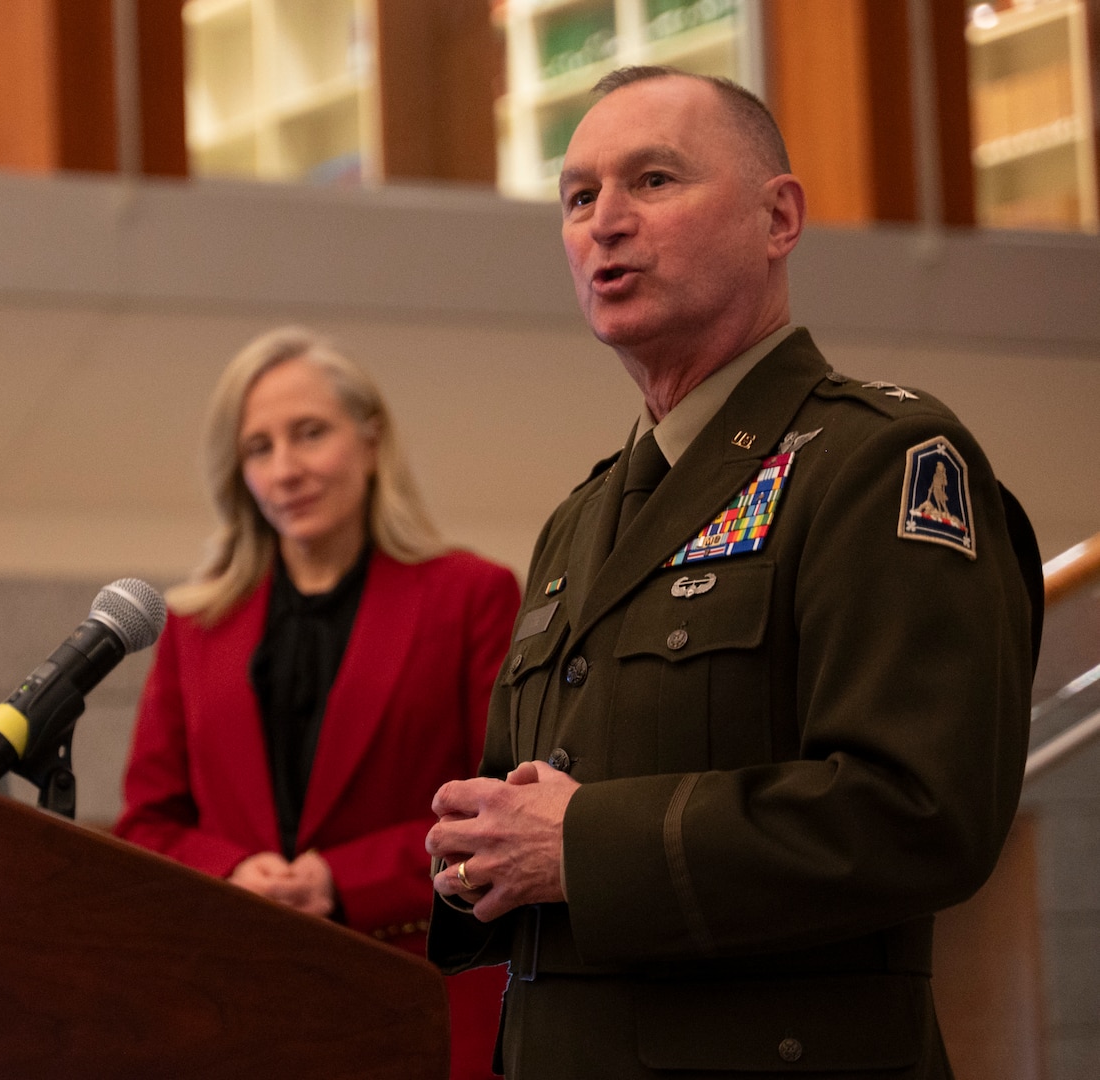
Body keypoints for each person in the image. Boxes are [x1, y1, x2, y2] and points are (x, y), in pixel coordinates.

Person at [424, 67, 1040, 1079]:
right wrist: (476, 852)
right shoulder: (578, 518)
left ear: (777, 218)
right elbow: (525, 809)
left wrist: (582, 846)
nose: (604, 222)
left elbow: (918, 815)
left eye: (653, 180)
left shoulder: (877, 460)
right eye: (578, 197)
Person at [115, 327, 521, 1079]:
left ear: (370, 441)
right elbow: (146, 824)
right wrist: (234, 870)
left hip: (414, 998)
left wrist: (341, 879)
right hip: (232, 1007)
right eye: (258, 448)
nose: (286, 469)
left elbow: (498, 814)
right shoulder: (194, 627)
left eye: (309, 433)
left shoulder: (471, 597)